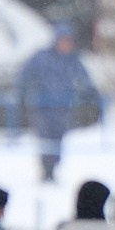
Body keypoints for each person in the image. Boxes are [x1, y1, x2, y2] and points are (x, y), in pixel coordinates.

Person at [18, 23, 101, 182]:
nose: (66, 44)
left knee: (58, 141)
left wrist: (89, 93)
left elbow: (84, 79)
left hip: (63, 109)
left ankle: (53, 169)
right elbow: (25, 76)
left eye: (68, 41)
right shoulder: (41, 58)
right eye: (63, 40)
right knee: (46, 140)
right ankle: (46, 170)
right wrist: (28, 93)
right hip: (42, 109)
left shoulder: (73, 60)